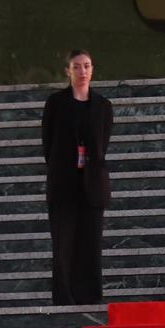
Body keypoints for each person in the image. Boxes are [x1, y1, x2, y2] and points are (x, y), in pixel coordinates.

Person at [41, 49, 113, 306]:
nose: (82, 71)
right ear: (68, 71)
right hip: (64, 184)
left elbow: (103, 142)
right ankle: (64, 297)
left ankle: (90, 297)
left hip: (92, 184)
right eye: (77, 66)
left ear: (92, 69)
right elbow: (47, 145)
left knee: (90, 244)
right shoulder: (56, 103)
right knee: (63, 244)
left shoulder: (103, 106)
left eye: (87, 66)